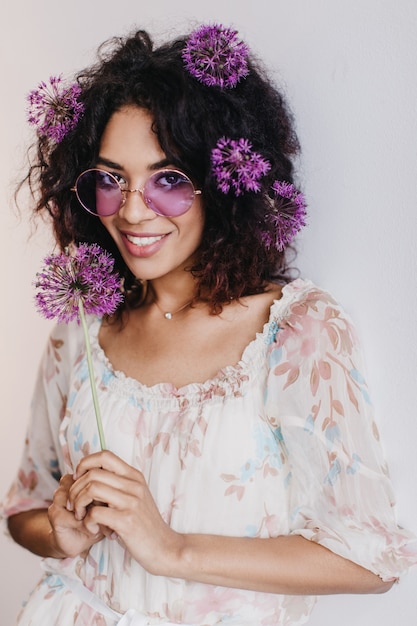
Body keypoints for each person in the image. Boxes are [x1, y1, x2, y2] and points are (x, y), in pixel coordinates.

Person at [1, 23, 416, 626]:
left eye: (169, 180)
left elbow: (371, 560)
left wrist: (171, 548)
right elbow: (24, 509)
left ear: (224, 185)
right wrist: (60, 533)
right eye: (111, 179)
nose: (133, 210)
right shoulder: (83, 329)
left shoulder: (295, 331)